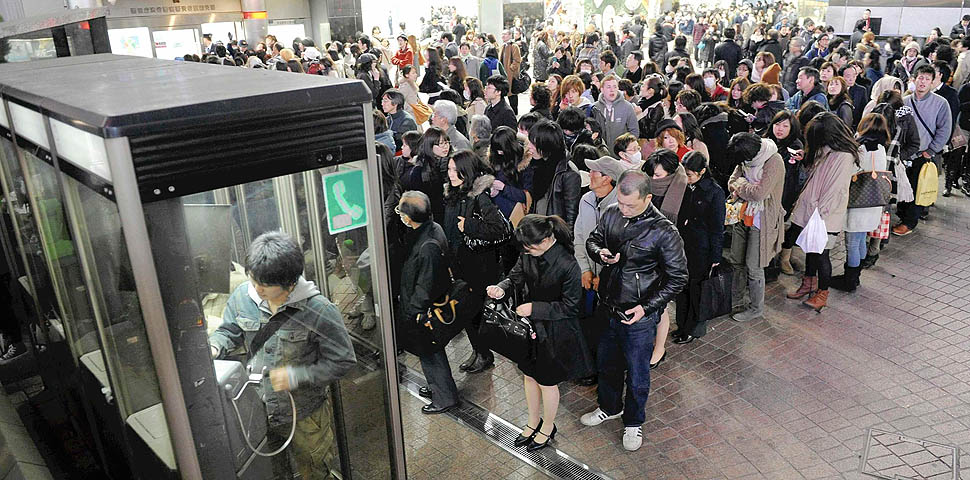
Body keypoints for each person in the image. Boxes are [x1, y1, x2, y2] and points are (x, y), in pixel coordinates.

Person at [209, 231, 356, 479]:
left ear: (289, 283)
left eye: (265, 285)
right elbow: (229, 331)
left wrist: (297, 376)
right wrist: (215, 345)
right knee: (273, 472)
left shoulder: (319, 311)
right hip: (257, 408)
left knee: (315, 470)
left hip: (304, 414)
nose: (256, 289)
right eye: (253, 279)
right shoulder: (243, 297)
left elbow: (343, 361)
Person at [580, 169, 688, 452]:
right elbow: (593, 239)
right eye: (621, 202)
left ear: (648, 198)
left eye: (631, 205)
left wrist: (647, 307)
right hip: (608, 306)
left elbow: (678, 277)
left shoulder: (664, 231)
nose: (624, 210)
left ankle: (633, 422)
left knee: (638, 375)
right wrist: (599, 253)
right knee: (607, 365)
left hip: (638, 314)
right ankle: (609, 407)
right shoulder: (613, 212)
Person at [486, 214, 592, 452]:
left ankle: (548, 426)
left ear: (546, 239)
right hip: (532, 326)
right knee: (529, 375)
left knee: (547, 381)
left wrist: (536, 308)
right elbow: (514, 277)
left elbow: (571, 307)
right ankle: (534, 421)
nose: (526, 251)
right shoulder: (529, 254)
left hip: (555, 329)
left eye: (529, 246)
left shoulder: (568, 264)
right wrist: (500, 288)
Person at [394, 191, 461, 413]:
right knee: (429, 353)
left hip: (424, 310)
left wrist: (412, 311)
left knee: (431, 352)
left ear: (409, 218)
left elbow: (424, 286)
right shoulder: (433, 229)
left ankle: (445, 398)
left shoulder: (426, 246)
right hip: (426, 305)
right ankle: (437, 388)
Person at [441, 151, 507, 374]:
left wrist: (469, 225)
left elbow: (501, 230)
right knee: (468, 312)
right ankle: (479, 351)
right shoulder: (453, 194)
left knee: (474, 312)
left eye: (454, 170)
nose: (450, 174)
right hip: (460, 264)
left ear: (466, 171)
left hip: (479, 266)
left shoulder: (480, 196)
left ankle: (484, 354)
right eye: (448, 169)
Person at [786, 113, 860, 311]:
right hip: (812, 210)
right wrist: (806, 159)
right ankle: (808, 284)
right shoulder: (827, 149)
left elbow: (835, 190)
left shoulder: (843, 156)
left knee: (821, 254)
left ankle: (822, 293)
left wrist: (819, 216)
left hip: (823, 216)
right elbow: (816, 176)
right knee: (811, 251)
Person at [573, 156, 628, 385]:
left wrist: (602, 279)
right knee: (587, 324)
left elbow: (622, 251)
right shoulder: (586, 199)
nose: (590, 175)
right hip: (588, 279)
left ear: (608, 179)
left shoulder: (622, 208)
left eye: (595, 172)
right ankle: (590, 367)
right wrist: (585, 270)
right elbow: (579, 238)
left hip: (612, 284)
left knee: (608, 331)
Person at [726, 133, 786, 322]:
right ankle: (735, 299)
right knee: (736, 260)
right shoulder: (744, 157)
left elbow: (760, 194)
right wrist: (744, 186)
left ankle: (755, 308)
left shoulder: (773, 160)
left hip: (763, 221)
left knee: (754, 266)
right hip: (742, 215)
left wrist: (741, 184)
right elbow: (730, 181)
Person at [832, 113, 891, 292]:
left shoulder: (862, 148)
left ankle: (849, 280)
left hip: (858, 202)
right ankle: (855, 277)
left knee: (852, 242)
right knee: (860, 240)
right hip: (873, 202)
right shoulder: (881, 147)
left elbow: (850, 171)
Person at [893, 65, 952, 236]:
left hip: (924, 154)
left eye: (927, 79)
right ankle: (903, 216)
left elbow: (944, 130)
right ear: (913, 79)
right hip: (904, 154)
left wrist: (931, 150)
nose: (923, 82)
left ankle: (909, 223)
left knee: (917, 188)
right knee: (904, 186)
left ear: (933, 82)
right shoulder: (904, 101)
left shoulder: (941, 103)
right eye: (920, 78)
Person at [673, 151, 725, 343]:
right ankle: (681, 325)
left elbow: (717, 228)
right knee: (682, 287)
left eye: (690, 174)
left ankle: (692, 329)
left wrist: (715, 257)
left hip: (701, 249)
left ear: (702, 171)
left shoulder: (714, 192)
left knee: (697, 290)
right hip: (684, 245)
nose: (686, 178)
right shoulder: (685, 187)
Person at [530, 120, 582, 230]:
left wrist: (567, 241)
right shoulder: (538, 164)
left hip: (554, 231)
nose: (530, 147)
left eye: (534, 144)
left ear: (546, 145)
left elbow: (571, 215)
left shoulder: (569, 173)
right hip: (538, 227)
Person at [402, 127, 449, 223]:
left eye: (447, 142)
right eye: (441, 143)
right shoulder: (419, 171)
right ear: (429, 145)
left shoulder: (453, 163)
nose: (445, 146)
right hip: (432, 219)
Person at [489, 126, 534, 219]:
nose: (499, 153)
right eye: (497, 150)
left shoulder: (525, 164)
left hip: (517, 211)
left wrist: (504, 188)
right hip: (498, 209)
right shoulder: (495, 158)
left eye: (501, 150)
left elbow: (527, 196)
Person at [590, 75, 640, 153]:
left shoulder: (627, 107)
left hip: (622, 155)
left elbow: (634, 131)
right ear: (602, 89)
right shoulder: (595, 107)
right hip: (601, 154)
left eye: (615, 87)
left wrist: (625, 148)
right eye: (608, 87)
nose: (612, 90)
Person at [500, 30, 523, 114]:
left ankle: (514, 112)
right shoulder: (503, 46)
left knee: (512, 94)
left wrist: (511, 69)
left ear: (510, 35)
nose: (503, 36)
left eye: (505, 34)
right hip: (503, 75)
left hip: (511, 75)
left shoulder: (514, 46)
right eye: (502, 34)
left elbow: (517, 60)